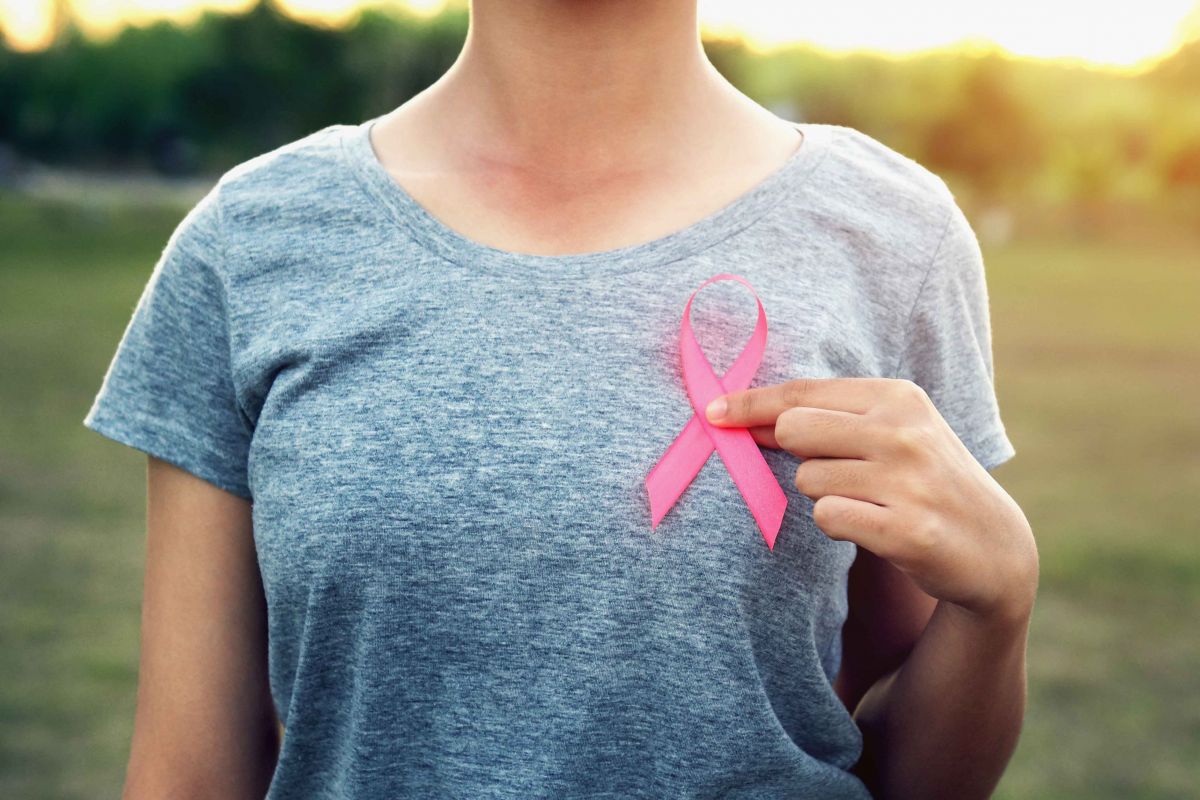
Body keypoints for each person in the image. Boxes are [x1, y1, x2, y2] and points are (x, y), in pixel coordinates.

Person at [82, 1, 1038, 798]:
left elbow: (909, 765)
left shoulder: (893, 237)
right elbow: (188, 774)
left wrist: (998, 604)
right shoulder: (250, 243)